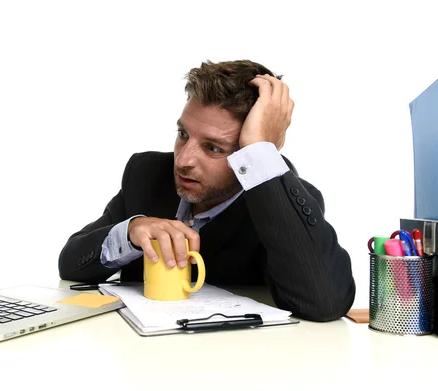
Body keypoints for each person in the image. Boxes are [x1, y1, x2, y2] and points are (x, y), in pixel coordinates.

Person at [58, 59, 355, 322]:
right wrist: (130, 231)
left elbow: (325, 304)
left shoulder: (281, 199)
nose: (184, 161)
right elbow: (71, 265)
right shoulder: (147, 175)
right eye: (182, 134)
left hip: (240, 367)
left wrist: (261, 152)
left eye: (213, 148)